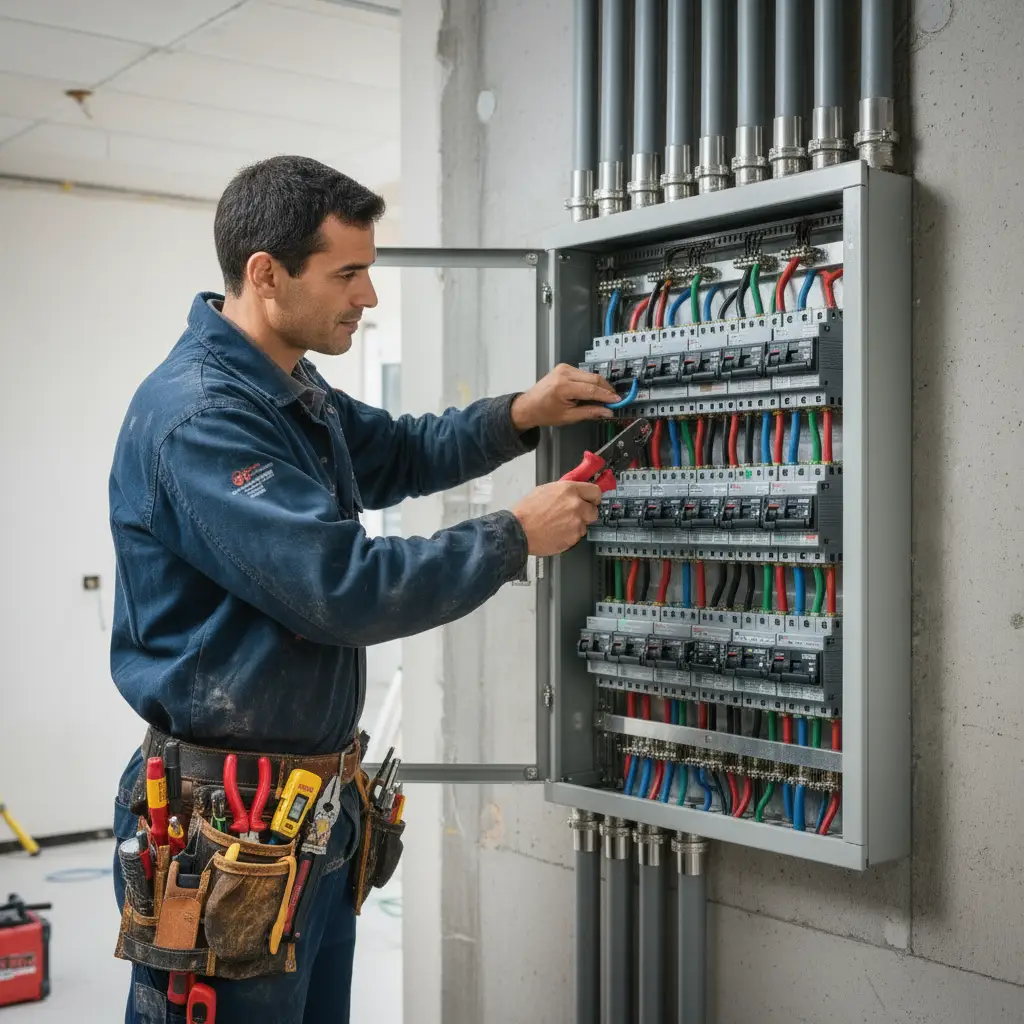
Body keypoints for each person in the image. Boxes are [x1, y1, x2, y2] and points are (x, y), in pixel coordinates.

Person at [108, 155, 618, 1023]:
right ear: (267, 276)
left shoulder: (285, 388)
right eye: (349, 273)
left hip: (303, 812)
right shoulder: (202, 417)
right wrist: (512, 536)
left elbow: (396, 453)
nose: (368, 296)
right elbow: (341, 587)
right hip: (226, 821)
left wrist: (519, 415)